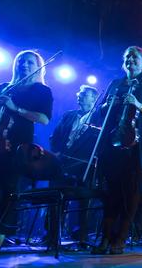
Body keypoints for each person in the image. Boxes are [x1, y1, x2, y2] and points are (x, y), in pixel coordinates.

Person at [91, 46, 142, 255]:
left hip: (136, 145)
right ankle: (106, 237)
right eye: (128, 57)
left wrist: (140, 106)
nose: (131, 59)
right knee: (111, 191)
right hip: (112, 143)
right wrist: (107, 106)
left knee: (131, 191)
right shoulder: (115, 84)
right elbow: (99, 114)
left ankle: (120, 238)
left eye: (135, 57)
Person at [0, 50, 53, 252]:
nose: (24, 65)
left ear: (37, 66)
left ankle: (1, 234)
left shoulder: (41, 90)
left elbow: (44, 119)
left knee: (9, 190)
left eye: (30, 63)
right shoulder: (5, 87)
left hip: (17, 147)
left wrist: (15, 108)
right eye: (21, 61)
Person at [48, 84, 99, 248]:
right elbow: (55, 136)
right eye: (79, 93)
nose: (78, 95)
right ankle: (52, 234)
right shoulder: (68, 115)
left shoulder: (98, 118)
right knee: (55, 197)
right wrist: (55, 152)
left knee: (84, 201)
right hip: (62, 162)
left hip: (85, 165)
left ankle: (81, 236)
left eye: (83, 94)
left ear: (94, 98)